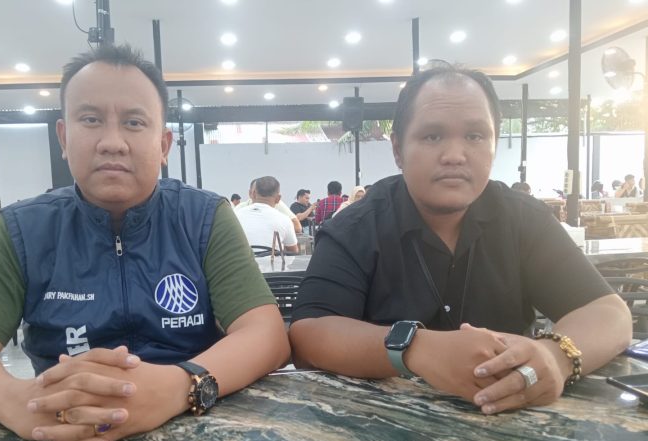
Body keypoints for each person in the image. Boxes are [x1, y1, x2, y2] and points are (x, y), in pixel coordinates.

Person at [0, 44, 289, 441]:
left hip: (195, 430)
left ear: (164, 145)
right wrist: (13, 401)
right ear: (63, 137)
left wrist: (180, 386)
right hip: (63, 440)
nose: (112, 142)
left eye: (134, 122)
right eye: (91, 119)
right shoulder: (22, 229)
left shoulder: (204, 217)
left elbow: (267, 334)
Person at [289, 64, 631, 415]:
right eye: (432, 136)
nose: (455, 155)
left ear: (494, 145)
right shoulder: (356, 227)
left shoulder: (523, 219)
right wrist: (414, 348)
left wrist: (556, 357)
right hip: (381, 425)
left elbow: (609, 313)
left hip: (509, 421)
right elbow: (308, 335)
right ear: (398, 150)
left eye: (475, 136)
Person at [235, 176, 298, 253]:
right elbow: (293, 252)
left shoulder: (236, 215)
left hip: (242, 260)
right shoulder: (285, 220)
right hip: (272, 260)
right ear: (278, 198)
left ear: (253, 194)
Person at [235, 179, 302, 233]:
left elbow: (297, 227)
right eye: (258, 192)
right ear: (251, 193)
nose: (262, 195)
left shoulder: (277, 204)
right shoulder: (240, 209)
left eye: (263, 191)